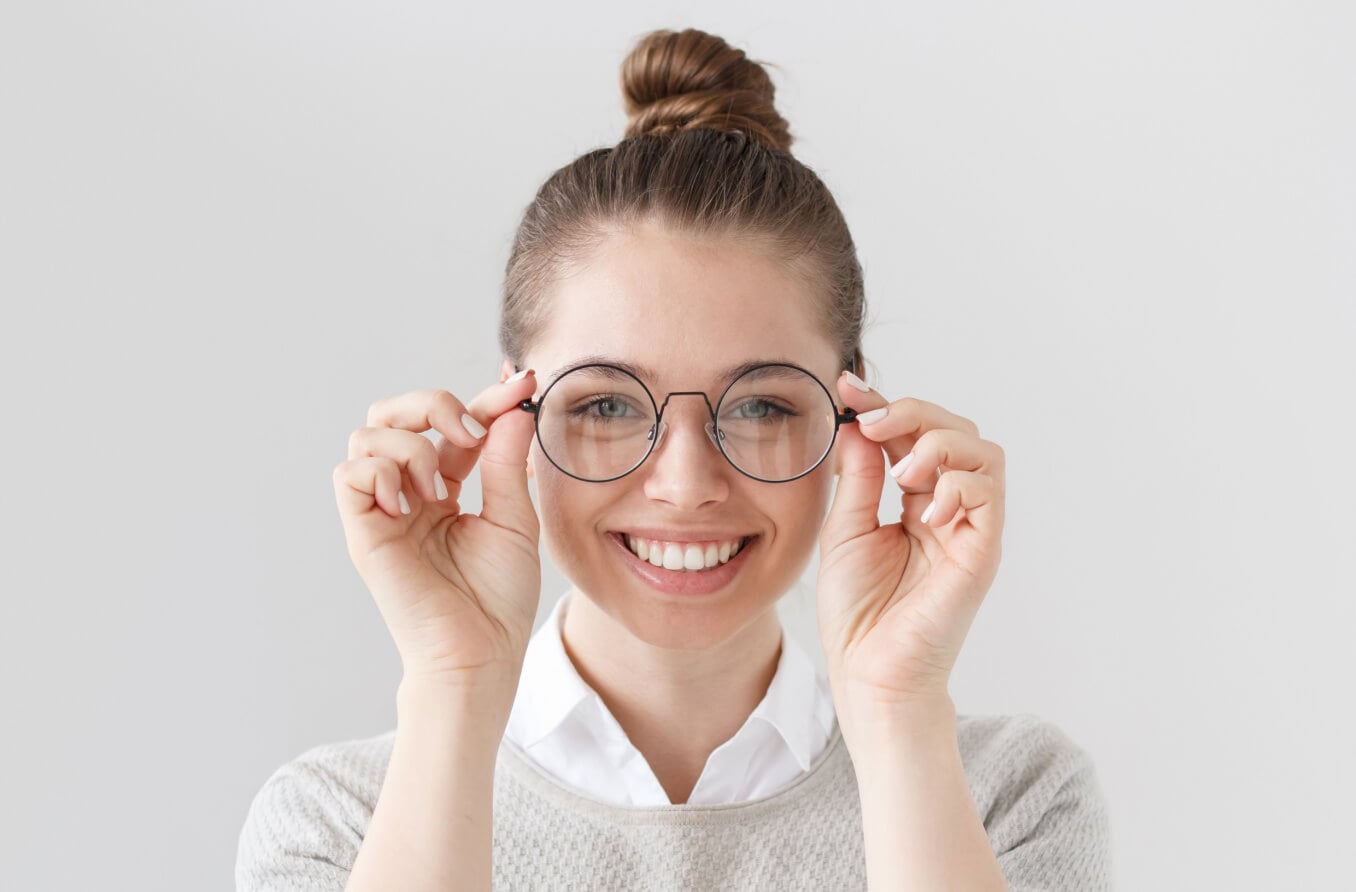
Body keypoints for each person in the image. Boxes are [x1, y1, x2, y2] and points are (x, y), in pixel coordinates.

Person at [235, 27, 1111, 891]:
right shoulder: (336, 827)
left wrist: (897, 713)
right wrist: (454, 687)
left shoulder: (1009, 802)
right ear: (509, 418)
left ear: (855, 419)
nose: (687, 485)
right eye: (608, 404)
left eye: (761, 404)